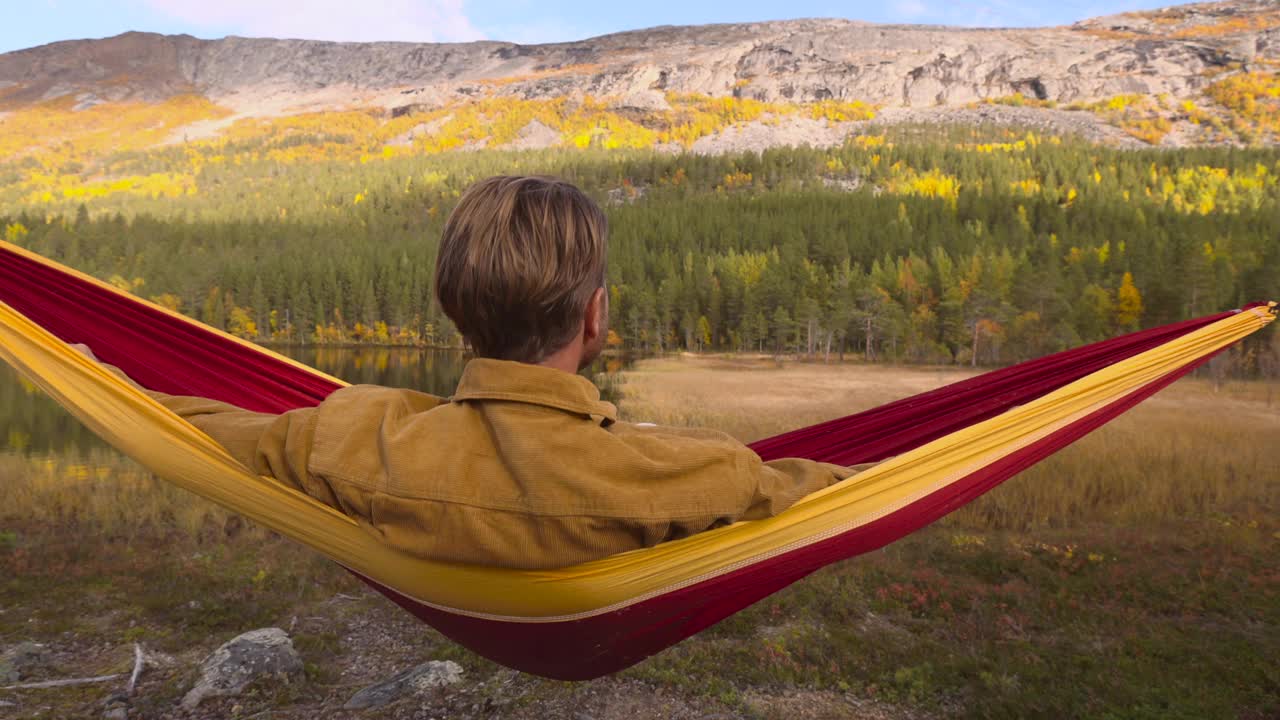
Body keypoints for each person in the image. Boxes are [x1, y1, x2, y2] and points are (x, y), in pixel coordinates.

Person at [81, 175, 856, 569]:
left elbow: (206, 428)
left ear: (455, 313)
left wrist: (85, 370)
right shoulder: (697, 473)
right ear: (596, 317)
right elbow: (839, 488)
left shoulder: (354, 437)